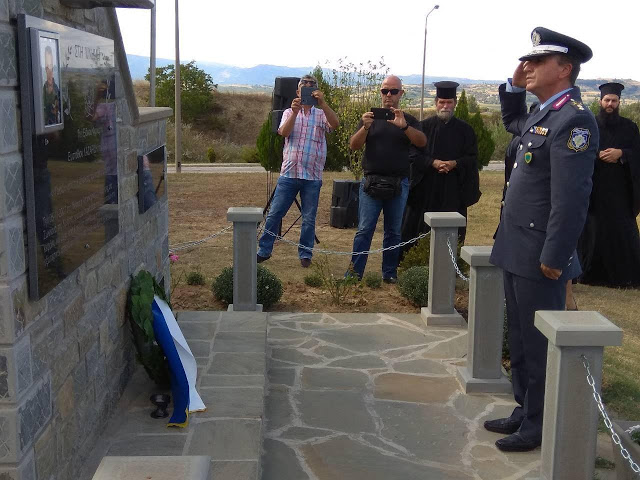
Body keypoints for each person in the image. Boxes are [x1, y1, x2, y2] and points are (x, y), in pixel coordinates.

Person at [485, 27, 598, 452]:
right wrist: (515, 83)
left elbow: (571, 198)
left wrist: (555, 254)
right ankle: (525, 408)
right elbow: (514, 121)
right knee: (519, 335)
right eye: (527, 60)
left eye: (537, 61)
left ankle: (539, 424)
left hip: (539, 255)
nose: (528, 67)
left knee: (538, 341)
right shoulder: (543, 114)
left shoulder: (575, 120)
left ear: (564, 68)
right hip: (517, 247)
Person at [347, 75, 426, 282]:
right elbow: (354, 146)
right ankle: (354, 275)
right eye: (384, 91)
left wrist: (404, 127)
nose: (388, 95)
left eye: (393, 91)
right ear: (380, 93)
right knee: (364, 230)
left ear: (401, 93)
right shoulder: (369, 119)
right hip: (371, 182)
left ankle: (389, 274)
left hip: (399, 184)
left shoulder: (408, 120)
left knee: (393, 232)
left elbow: (422, 142)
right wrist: (365, 127)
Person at [257, 75, 339, 267]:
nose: (308, 88)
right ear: (297, 91)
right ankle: (264, 250)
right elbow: (284, 133)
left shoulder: (321, 114)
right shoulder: (288, 112)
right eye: (305, 85)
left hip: (312, 175)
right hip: (289, 173)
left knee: (309, 218)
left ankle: (305, 254)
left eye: (312, 86)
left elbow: (335, 124)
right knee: (275, 213)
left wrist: (324, 103)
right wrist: (294, 113)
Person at [401, 81, 480, 249]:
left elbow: (472, 157)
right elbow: (413, 154)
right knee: (419, 228)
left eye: (449, 102)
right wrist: (433, 162)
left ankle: (452, 263)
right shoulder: (423, 127)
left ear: (455, 103)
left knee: (452, 228)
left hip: (454, 188)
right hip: (426, 187)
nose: (445, 106)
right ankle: (416, 262)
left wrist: (455, 163)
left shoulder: (466, 130)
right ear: (436, 103)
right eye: (442, 102)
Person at [577, 82, 640, 287]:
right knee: (593, 232)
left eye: (614, 100)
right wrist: (598, 155)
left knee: (623, 232)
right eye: (607, 100)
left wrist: (621, 154)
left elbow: (638, 154)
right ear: (600, 101)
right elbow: (578, 150)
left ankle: (626, 277)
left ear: (619, 102)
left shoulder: (630, 127)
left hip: (621, 192)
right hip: (594, 190)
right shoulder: (590, 125)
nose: (610, 104)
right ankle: (590, 275)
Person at [42, 45, 61, 126]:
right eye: (47, 67)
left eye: (50, 66)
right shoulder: (42, 89)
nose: (49, 69)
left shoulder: (57, 88)